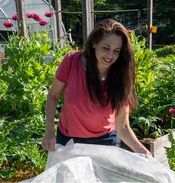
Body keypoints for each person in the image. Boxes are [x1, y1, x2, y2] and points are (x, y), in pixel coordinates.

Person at [41, 19, 151, 155]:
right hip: (70, 142)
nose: (110, 56)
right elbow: (53, 96)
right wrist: (49, 131)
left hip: (106, 143)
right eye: (106, 48)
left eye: (116, 51)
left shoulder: (122, 75)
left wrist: (142, 151)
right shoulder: (71, 62)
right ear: (94, 43)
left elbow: (122, 126)